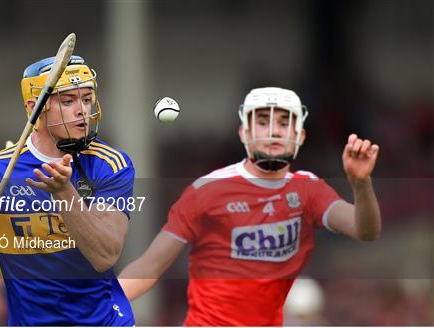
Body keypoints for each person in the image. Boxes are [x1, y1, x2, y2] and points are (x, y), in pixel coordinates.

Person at [119, 87, 381, 326]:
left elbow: (365, 230)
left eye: (283, 123)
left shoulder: (309, 190)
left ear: (300, 136)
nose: (273, 131)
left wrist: (361, 183)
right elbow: (149, 267)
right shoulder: (207, 190)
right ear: (244, 133)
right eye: (263, 122)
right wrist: (97, 308)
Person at [0, 55, 135, 326]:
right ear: (35, 107)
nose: (82, 110)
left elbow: (105, 255)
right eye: (68, 101)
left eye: (86, 98)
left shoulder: (109, 165)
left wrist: (64, 192)